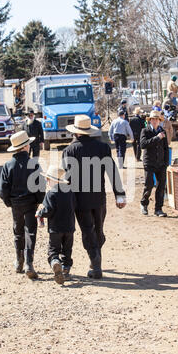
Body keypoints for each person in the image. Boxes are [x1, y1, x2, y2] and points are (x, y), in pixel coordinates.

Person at [63, 115, 126, 280]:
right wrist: (119, 194)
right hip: (99, 197)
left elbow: (66, 180)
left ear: (75, 132)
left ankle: (96, 266)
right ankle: (95, 261)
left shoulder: (69, 151)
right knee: (98, 230)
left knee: (87, 231)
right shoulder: (102, 148)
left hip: (79, 199)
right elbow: (112, 171)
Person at [0, 131, 45, 279]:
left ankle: (19, 262)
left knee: (18, 232)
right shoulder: (34, 164)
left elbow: (2, 188)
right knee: (30, 232)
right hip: (31, 202)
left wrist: (8, 202)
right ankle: (29, 264)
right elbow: (41, 185)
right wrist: (39, 200)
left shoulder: (8, 165)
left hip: (16, 204)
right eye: (28, 144)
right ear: (25, 147)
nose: (30, 146)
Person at [36, 166, 76, 285]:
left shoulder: (51, 194)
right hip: (69, 227)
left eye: (48, 179)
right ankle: (66, 270)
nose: (47, 181)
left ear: (53, 181)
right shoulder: (70, 192)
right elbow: (75, 205)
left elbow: (48, 210)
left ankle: (54, 262)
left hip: (55, 228)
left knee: (53, 249)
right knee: (67, 250)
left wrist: (40, 213)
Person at [140, 110, 169, 217]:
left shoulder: (163, 131)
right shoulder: (145, 131)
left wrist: (166, 162)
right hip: (149, 162)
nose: (155, 121)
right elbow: (143, 144)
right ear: (150, 120)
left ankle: (158, 209)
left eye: (157, 119)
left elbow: (166, 148)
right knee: (149, 184)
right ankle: (144, 203)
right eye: (153, 119)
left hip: (161, 163)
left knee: (161, 186)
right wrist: (157, 138)